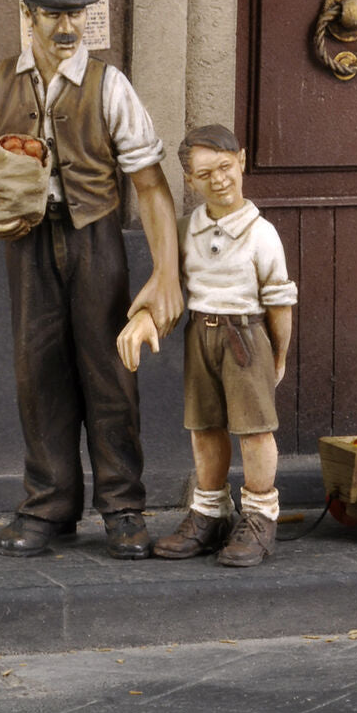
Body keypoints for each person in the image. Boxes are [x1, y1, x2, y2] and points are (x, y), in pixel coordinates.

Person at [0, 0, 182, 559]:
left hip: (95, 241)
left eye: (77, 15)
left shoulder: (110, 86)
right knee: (39, 372)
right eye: (54, 14)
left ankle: (123, 508)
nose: (66, 27)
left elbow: (151, 185)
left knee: (110, 372)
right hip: (26, 244)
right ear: (27, 13)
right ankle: (48, 507)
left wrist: (166, 273)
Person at [117, 125, 297, 567]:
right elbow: (166, 284)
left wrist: (279, 353)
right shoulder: (184, 230)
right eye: (204, 173)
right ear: (191, 182)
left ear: (241, 160)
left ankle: (259, 516)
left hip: (245, 338)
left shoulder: (261, 234)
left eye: (224, 167)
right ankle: (209, 514)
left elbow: (278, 302)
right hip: (200, 335)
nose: (218, 180)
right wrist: (143, 317)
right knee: (205, 428)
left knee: (254, 431)